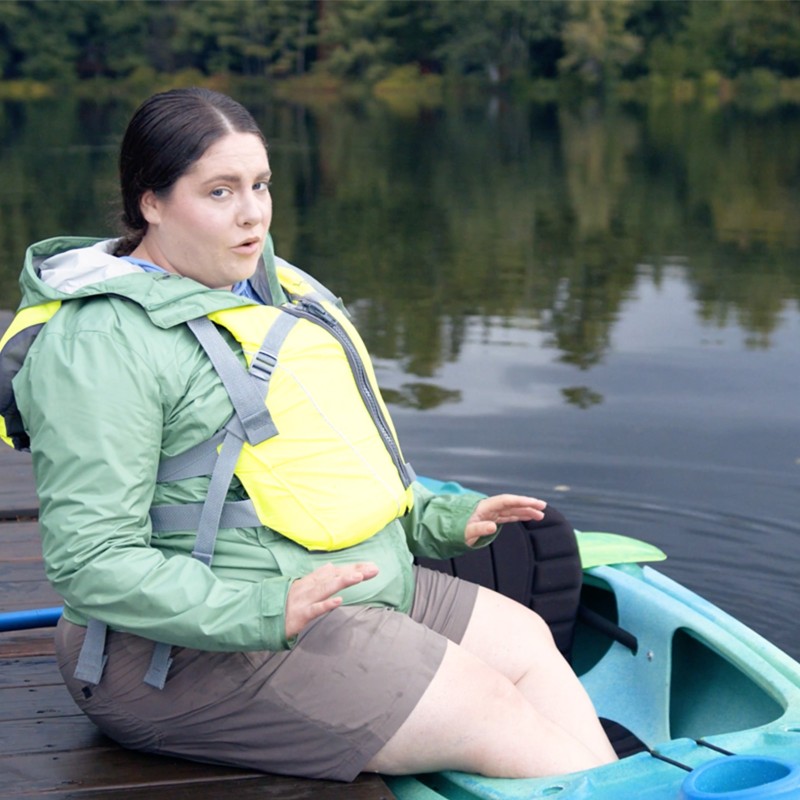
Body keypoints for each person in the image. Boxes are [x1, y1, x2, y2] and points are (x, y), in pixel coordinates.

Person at [2, 88, 616, 781]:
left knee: (527, 643)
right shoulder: (101, 345)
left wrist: (440, 517)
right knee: (491, 708)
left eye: (260, 185)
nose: (252, 213)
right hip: (174, 657)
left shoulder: (271, 292)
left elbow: (322, 468)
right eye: (220, 192)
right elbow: (91, 563)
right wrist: (265, 609)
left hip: (336, 587)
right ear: (151, 201)